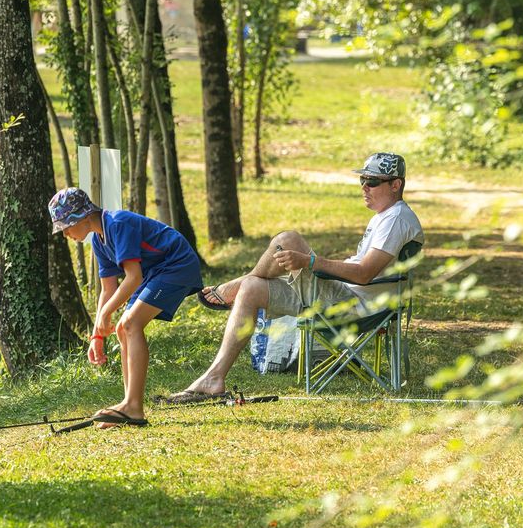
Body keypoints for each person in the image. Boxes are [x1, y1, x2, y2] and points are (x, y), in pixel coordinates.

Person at [161, 152, 425, 403]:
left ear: (395, 185)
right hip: (347, 296)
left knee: (288, 240)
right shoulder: (386, 217)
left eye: (373, 181)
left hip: (356, 306)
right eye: (362, 179)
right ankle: (214, 378)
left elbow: (364, 274)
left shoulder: (396, 219)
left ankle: (234, 286)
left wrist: (310, 262)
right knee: (252, 288)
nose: (364, 187)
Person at [48, 187, 203, 427]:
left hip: (176, 265)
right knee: (122, 329)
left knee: (131, 323)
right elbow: (107, 289)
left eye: (67, 226)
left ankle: (133, 407)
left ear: (82, 216)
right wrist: (96, 336)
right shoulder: (99, 241)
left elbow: (133, 278)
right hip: (155, 273)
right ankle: (128, 404)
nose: (66, 233)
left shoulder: (118, 224)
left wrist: (107, 313)